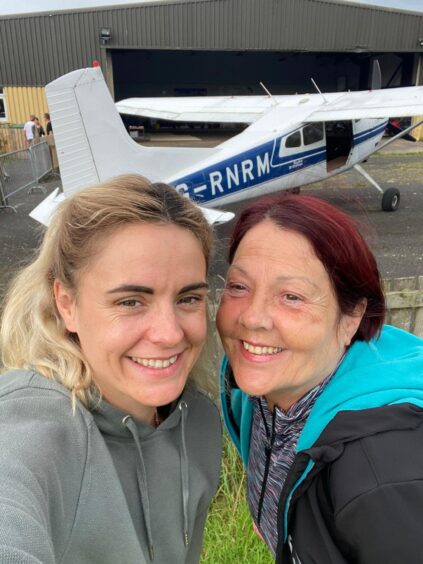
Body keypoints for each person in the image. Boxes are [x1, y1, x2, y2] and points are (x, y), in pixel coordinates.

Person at [0, 174, 221, 564]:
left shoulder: (198, 422)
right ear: (66, 304)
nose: (170, 334)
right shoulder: (36, 423)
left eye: (188, 297)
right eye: (131, 302)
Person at [217, 193, 423, 564]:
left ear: (351, 318)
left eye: (292, 296)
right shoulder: (259, 386)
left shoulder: (381, 477)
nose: (252, 318)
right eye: (238, 286)